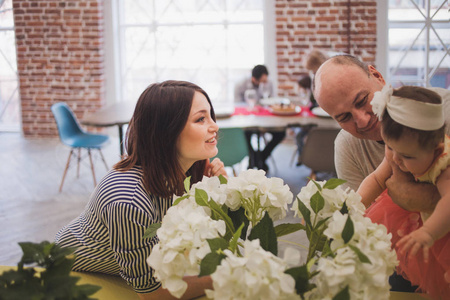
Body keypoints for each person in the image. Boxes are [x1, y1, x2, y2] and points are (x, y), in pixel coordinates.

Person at [55, 80, 227, 300]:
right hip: (70, 271)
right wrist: (226, 275)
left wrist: (221, 191)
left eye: (211, 116)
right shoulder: (129, 202)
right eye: (201, 119)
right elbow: (152, 293)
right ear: (167, 132)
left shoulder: (193, 168)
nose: (215, 126)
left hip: (123, 266)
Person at [313, 54, 450, 292]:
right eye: (344, 117)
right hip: (403, 250)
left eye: (362, 100)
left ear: (377, 75)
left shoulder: (438, 112)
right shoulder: (350, 145)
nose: (363, 120)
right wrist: (337, 213)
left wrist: (414, 197)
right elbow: (373, 184)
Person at [357, 85, 450, 298]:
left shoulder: (444, 164)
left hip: (441, 229)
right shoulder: (400, 149)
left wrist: (429, 232)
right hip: (408, 223)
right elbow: (378, 179)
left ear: (436, 150)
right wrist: (352, 206)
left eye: (407, 157)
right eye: (389, 147)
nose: (396, 160)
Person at [234, 65, 285, 171]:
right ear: (254, 79)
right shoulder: (240, 85)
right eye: (261, 81)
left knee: (281, 133)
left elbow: (272, 100)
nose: (264, 83)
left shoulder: (269, 83)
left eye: (265, 80)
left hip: (266, 119)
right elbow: (237, 105)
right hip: (248, 120)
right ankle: (253, 158)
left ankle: (259, 158)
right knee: (244, 134)